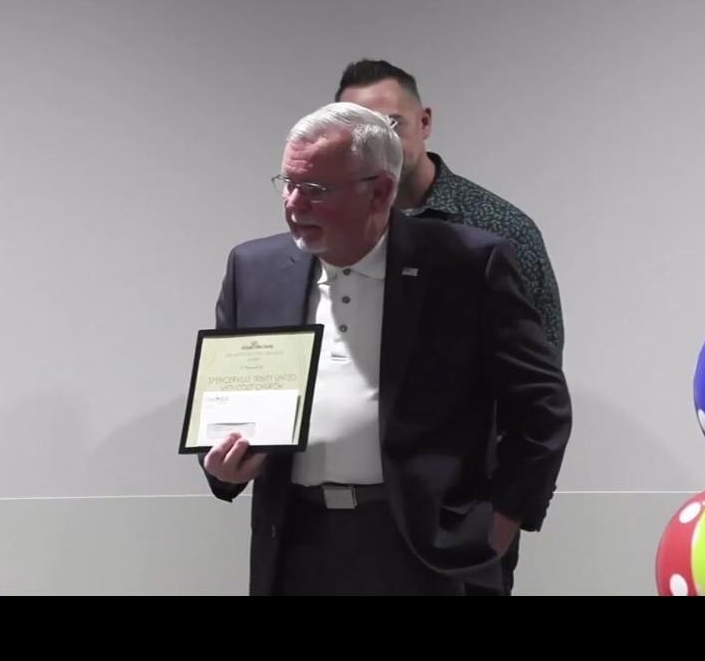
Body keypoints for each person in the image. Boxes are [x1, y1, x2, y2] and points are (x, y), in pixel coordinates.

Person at [202, 102, 572, 596]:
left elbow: (542, 406)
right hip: (296, 541)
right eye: (288, 183)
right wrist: (222, 469)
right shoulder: (254, 268)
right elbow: (231, 399)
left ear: (379, 191)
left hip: (426, 545)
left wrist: (504, 518)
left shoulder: (466, 265)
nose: (293, 203)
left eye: (315, 189)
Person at [335, 58, 565, 594]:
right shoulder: (334, 235)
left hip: (461, 514)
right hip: (349, 520)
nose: (377, 142)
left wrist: (505, 513)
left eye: (390, 124)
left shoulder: (497, 230)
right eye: (359, 130)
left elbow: (539, 383)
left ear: (425, 122)